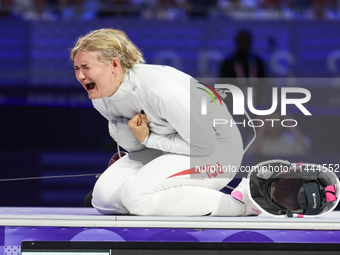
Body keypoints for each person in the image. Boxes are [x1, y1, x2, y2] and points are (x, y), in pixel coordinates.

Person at [71, 28, 259, 216]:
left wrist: (147, 139)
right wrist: (129, 135)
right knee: (104, 199)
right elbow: (138, 148)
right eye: (77, 68)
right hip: (170, 148)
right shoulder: (100, 97)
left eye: (86, 67)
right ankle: (162, 203)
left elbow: (204, 145)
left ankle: (242, 204)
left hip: (217, 151)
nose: (80, 76)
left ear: (114, 65)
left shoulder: (161, 89)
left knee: (136, 196)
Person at [219, 29, 267, 106]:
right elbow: (223, 85)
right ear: (237, 42)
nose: (244, 43)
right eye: (241, 41)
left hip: (256, 103)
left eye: (246, 41)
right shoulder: (228, 63)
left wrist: (262, 100)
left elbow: (263, 84)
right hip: (233, 103)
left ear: (250, 42)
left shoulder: (258, 62)